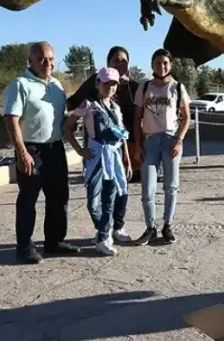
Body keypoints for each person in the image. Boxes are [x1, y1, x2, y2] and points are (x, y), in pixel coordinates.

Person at [3, 42, 80, 264]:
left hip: (55, 148)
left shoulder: (57, 86)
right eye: (42, 59)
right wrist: (22, 152)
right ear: (31, 61)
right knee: (28, 199)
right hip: (32, 149)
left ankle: (54, 242)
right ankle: (24, 247)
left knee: (59, 197)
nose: (48, 63)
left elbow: (60, 117)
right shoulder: (20, 85)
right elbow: (11, 119)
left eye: (51, 59)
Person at [63, 67, 133, 256]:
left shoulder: (116, 108)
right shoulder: (88, 105)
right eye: (106, 83)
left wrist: (126, 158)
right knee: (93, 202)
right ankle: (105, 230)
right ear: (97, 83)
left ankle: (103, 237)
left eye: (113, 84)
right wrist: (79, 149)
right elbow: (68, 127)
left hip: (114, 156)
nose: (110, 87)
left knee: (111, 197)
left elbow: (122, 135)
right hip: (96, 157)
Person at [133, 48, 191, 246]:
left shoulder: (178, 87)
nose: (162, 66)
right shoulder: (144, 87)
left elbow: (186, 117)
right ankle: (150, 227)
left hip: (170, 140)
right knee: (148, 188)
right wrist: (138, 145)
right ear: (152, 65)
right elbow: (137, 118)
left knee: (170, 186)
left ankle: (168, 224)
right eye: (158, 63)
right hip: (150, 141)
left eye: (165, 63)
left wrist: (179, 139)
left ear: (171, 65)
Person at [67, 46, 143, 183]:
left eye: (124, 61)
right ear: (108, 63)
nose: (120, 64)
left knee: (122, 192)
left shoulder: (135, 88)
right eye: (116, 60)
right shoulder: (95, 82)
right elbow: (73, 102)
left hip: (129, 152)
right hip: (99, 152)